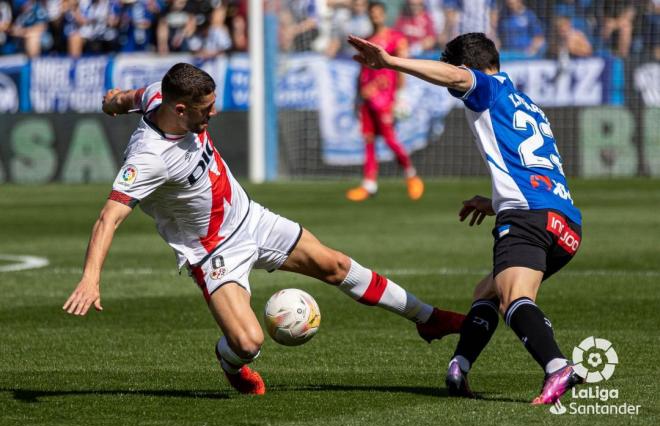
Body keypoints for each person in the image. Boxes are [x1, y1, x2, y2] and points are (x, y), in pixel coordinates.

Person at [62, 63, 465, 395]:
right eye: (206, 108)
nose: (214, 113)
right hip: (213, 252)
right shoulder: (148, 158)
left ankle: (425, 317)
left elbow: (130, 97)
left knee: (337, 265)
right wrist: (90, 279)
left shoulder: (159, 94)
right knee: (249, 343)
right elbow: (108, 218)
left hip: (251, 218)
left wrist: (114, 102)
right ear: (180, 109)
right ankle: (229, 361)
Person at [348, 32, 584, 405]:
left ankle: (557, 367)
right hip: (565, 224)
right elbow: (533, 173)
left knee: (513, 299)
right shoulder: (527, 104)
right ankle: (460, 366)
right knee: (485, 292)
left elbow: (459, 79)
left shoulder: (486, 89)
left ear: (463, 68)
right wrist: (493, 202)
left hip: (528, 218)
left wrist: (391, 62)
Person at [346, 1, 424, 202]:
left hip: (385, 98)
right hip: (366, 98)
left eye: (379, 13)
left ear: (384, 15)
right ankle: (369, 184)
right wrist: (357, 97)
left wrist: (401, 95)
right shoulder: (366, 40)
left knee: (390, 139)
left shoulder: (395, 38)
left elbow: (401, 67)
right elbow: (361, 71)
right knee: (369, 141)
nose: (375, 17)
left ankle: (411, 174)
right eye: (372, 13)